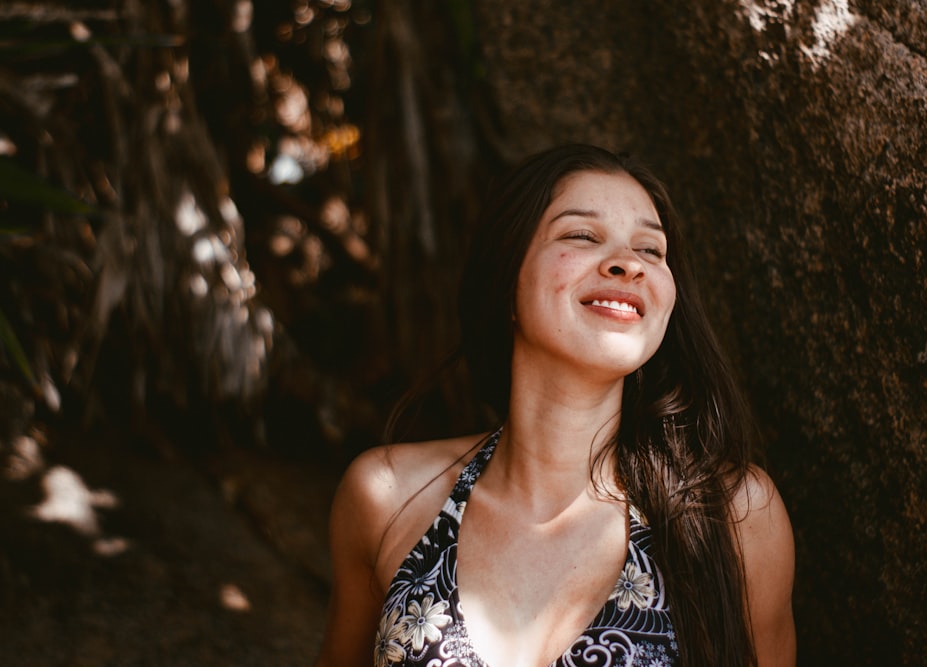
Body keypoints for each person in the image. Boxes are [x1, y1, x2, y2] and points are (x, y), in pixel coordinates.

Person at [315, 144, 795, 667]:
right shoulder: (387, 499)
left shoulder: (733, 517)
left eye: (651, 251)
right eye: (582, 236)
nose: (627, 264)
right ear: (506, 280)